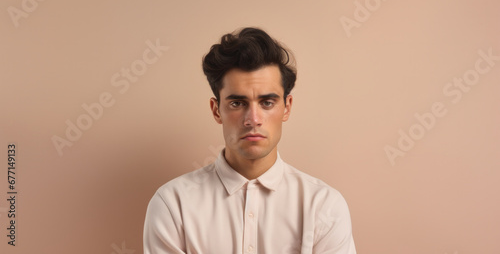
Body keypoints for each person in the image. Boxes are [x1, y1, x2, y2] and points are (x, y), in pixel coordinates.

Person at [143, 27, 356, 254]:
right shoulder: (173, 204)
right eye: (237, 103)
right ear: (216, 110)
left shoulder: (324, 205)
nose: (253, 119)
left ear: (287, 107)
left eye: (267, 102)